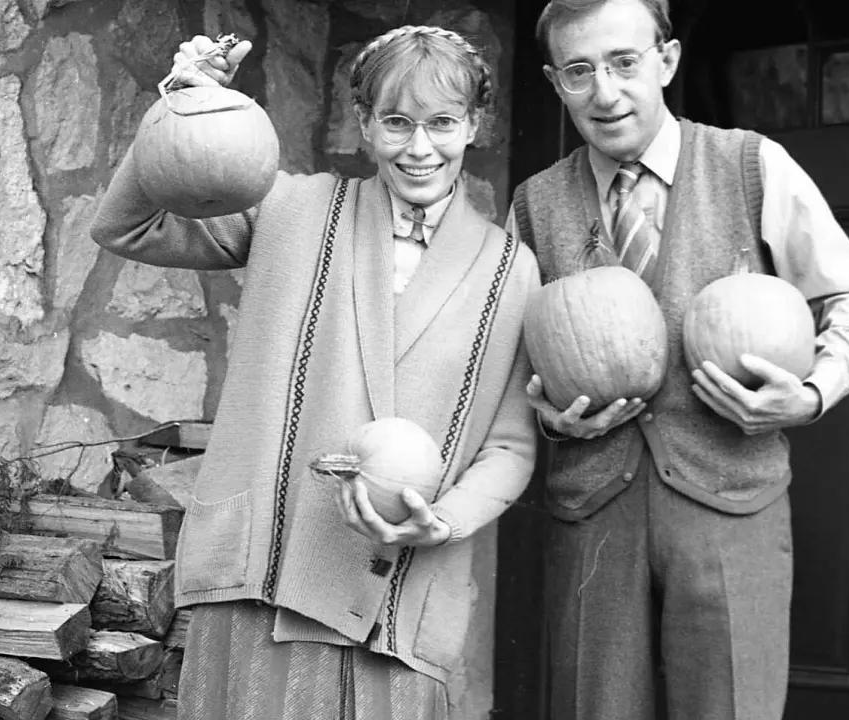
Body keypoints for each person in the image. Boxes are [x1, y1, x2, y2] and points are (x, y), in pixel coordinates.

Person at [91, 26, 539, 720]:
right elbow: (129, 225)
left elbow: (510, 446)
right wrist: (181, 108)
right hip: (260, 587)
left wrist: (444, 523)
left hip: (395, 608)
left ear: (474, 125)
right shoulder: (290, 208)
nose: (420, 147)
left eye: (443, 123)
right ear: (363, 122)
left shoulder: (511, 270)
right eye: (397, 122)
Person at [507, 1, 849, 719]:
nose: (605, 92)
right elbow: (515, 368)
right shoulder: (534, 205)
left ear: (667, 60)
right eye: (579, 71)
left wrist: (810, 393)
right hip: (593, 515)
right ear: (555, 82)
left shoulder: (751, 165)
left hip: (731, 501)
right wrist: (554, 421)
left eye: (624, 62)